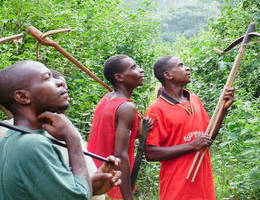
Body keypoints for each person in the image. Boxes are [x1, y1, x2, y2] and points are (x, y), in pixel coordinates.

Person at [0, 60, 121, 200]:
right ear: (23, 97)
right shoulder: (32, 144)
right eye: (47, 78)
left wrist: (89, 185)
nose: (59, 82)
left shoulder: (11, 139)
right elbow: (78, 197)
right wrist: (72, 138)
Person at [145, 56, 235, 200]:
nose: (187, 68)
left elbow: (208, 138)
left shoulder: (194, 99)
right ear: (168, 75)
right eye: (180, 65)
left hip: (203, 186)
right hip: (177, 188)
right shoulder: (156, 109)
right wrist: (192, 145)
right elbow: (150, 153)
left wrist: (223, 110)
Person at [88, 55, 153, 200]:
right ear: (119, 77)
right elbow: (120, 154)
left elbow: (110, 134)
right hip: (108, 180)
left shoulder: (107, 99)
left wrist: (139, 130)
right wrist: (128, 196)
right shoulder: (126, 107)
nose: (141, 71)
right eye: (134, 67)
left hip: (93, 173)